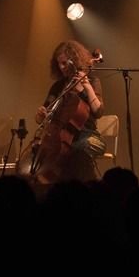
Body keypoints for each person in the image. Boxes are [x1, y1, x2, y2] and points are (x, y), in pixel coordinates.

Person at [30, 40, 105, 183]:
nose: (61, 67)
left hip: (86, 135)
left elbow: (99, 112)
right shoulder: (58, 86)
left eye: (65, 63)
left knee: (74, 151)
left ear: (74, 61)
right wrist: (41, 115)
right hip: (58, 134)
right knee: (40, 150)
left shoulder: (92, 81)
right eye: (59, 63)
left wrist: (86, 89)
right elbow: (43, 116)